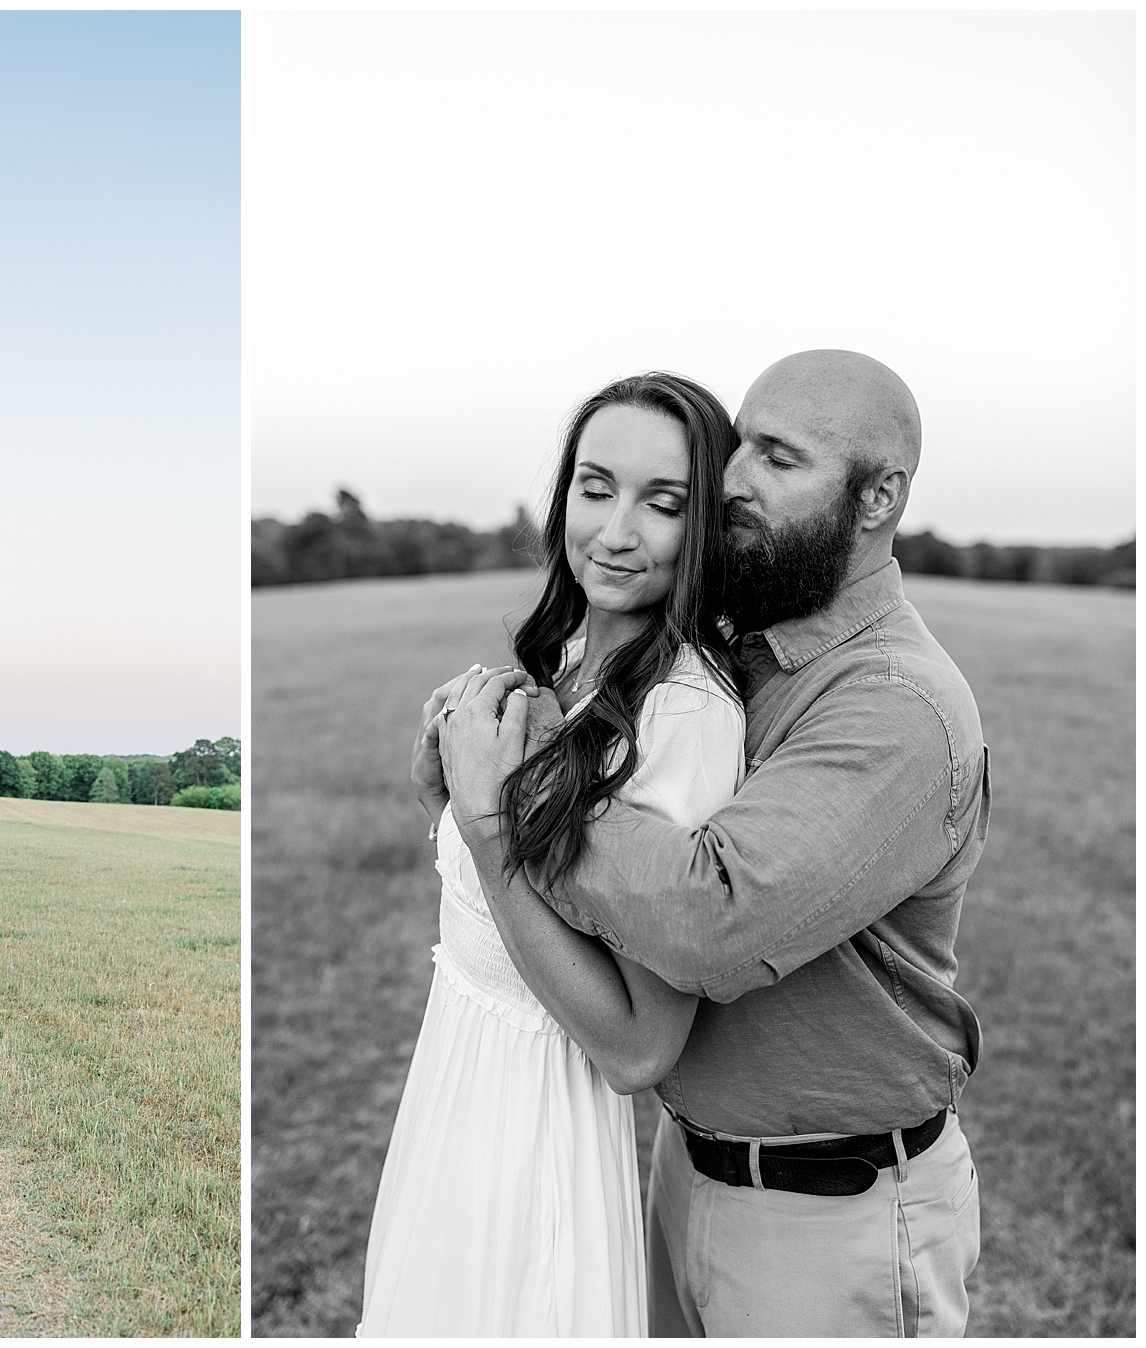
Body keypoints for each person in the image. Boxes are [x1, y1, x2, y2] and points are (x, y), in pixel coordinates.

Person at [440, 349, 989, 1337]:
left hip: (831, 1219)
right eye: (741, 450)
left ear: (878, 497)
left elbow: (707, 919)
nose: (734, 481)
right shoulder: (748, 643)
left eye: (778, 459)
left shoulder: (896, 704)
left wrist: (514, 784)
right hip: (682, 1169)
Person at [360, 372, 746, 1336]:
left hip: (542, 1134)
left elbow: (639, 1047)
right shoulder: (561, 666)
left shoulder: (685, 718)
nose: (616, 531)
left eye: (664, 504)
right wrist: (442, 781)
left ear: (703, 531)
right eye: (595, 485)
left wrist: (490, 823)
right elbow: (495, 909)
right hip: (455, 1090)